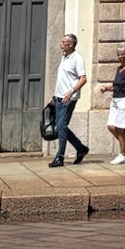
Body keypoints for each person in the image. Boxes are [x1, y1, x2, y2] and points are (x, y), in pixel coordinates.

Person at [49, 32, 89, 168]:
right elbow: (63, 79)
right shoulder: (64, 57)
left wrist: (71, 92)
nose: (61, 44)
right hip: (59, 97)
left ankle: (60, 157)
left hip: (69, 98)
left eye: (63, 42)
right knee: (62, 126)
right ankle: (81, 148)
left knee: (61, 126)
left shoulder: (77, 59)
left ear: (70, 44)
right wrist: (55, 97)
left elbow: (83, 79)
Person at [96, 44, 125, 163]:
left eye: (122, 55)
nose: (120, 57)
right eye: (118, 55)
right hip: (115, 100)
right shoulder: (118, 69)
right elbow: (117, 86)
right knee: (111, 126)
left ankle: (123, 154)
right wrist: (107, 89)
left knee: (120, 128)